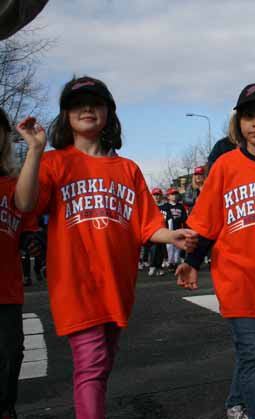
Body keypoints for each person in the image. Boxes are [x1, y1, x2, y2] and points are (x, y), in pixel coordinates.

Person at [13, 76, 198, 419]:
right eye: (77, 103)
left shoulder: (127, 169)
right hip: (75, 282)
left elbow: (147, 224)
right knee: (92, 364)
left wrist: (171, 236)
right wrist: (35, 150)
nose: (87, 108)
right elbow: (24, 203)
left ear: (109, 114)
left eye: (95, 102)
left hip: (116, 283)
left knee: (103, 361)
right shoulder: (54, 163)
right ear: (65, 115)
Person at [177, 82, 255, 419]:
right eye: (249, 116)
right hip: (234, 274)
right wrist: (191, 261)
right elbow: (206, 223)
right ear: (239, 121)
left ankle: (236, 402)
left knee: (254, 350)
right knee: (253, 355)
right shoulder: (226, 166)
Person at [0, 106, 41, 419]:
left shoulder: (13, 184)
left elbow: (27, 216)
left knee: (10, 355)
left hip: (6, 291)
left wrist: (32, 240)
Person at [163, 187, 187, 270]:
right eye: (172, 194)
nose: (174, 196)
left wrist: (185, 227)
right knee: (169, 246)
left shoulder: (181, 206)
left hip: (178, 228)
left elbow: (184, 218)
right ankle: (170, 262)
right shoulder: (165, 206)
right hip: (168, 229)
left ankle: (176, 262)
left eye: (175, 194)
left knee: (177, 246)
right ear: (168, 196)